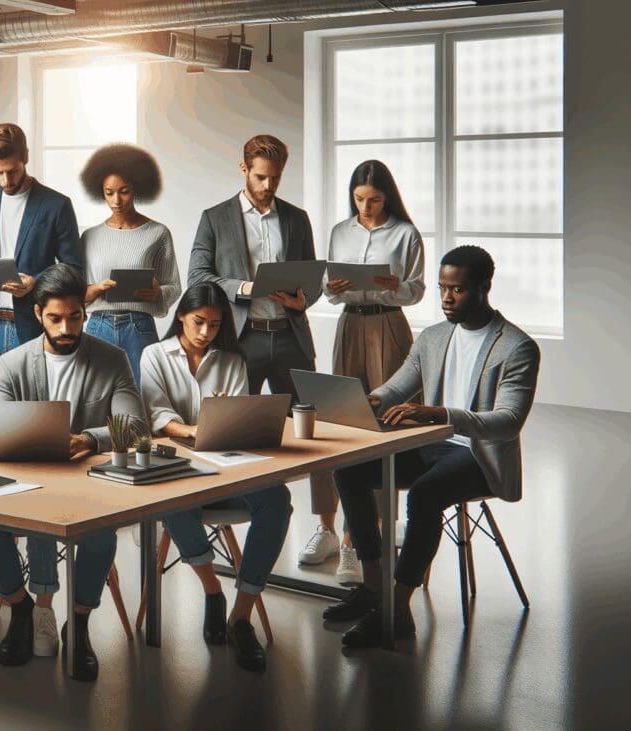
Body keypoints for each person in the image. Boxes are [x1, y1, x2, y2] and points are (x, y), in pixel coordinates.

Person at [321, 246, 540, 648]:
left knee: (424, 495)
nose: (446, 298)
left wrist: (439, 414)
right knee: (348, 468)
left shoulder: (517, 347)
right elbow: (399, 384)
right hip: (431, 443)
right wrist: (370, 401)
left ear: (484, 288)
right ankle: (373, 589)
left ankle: (397, 610)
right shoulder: (434, 337)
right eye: (441, 288)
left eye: (456, 290)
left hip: (478, 454)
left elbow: (508, 423)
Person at [0, 264, 145, 682]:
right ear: (38, 315)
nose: (66, 327)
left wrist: (88, 438)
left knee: (102, 534)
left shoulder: (112, 358)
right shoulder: (12, 362)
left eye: (75, 316)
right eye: (55, 318)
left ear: (84, 312)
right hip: (25, 480)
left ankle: (79, 624)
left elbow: (136, 426)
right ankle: (21, 608)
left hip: (86, 484)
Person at [187, 134, 335, 545]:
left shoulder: (296, 217)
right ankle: (234, 515)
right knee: (233, 433)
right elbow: (197, 278)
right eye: (260, 177)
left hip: (290, 337)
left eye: (275, 178)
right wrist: (245, 288)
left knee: (315, 433)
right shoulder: (215, 217)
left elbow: (313, 280)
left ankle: (326, 529)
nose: (268, 186)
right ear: (243, 169)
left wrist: (303, 297)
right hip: (242, 340)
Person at [138, 283, 293, 672]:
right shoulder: (154, 355)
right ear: (180, 316)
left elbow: (238, 420)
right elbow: (157, 415)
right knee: (169, 497)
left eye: (214, 324)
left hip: (227, 469)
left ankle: (241, 616)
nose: (205, 332)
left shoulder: (232, 361)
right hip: (176, 468)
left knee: (277, 500)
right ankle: (212, 589)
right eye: (198, 322)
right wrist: (195, 431)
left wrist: (222, 428)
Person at [299, 160, 427, 586]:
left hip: (389, 324)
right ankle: (328, 529)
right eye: (358, 199)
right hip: (350, 324)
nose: (366, 207)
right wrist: (333, 291)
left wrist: (397, 288)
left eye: (373, 200)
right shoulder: (341, 231)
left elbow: (416, 289)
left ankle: (363, 538)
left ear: (387, 196)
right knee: (338, 418)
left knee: (385, 423)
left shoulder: (405, 234)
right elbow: (332, 292)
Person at [0, 123, 82, 355]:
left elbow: (74, 269)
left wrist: (35, 283)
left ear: (26, 157)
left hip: (33, 327)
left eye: (13, 171)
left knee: (34, 392)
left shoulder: (56, 205)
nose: (7, 180)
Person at [79, 143, 181, 384]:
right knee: (97, 398)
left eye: (124, 191)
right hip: (98, 325)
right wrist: (94, 290)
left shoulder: (158, 233)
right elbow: (76, 291)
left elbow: (174, 286)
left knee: (144, 396)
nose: (116, 200)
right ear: (100, 191)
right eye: (109, 192)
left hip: (139, 327)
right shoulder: (89, 236)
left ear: (137, 187)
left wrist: (158, 292)